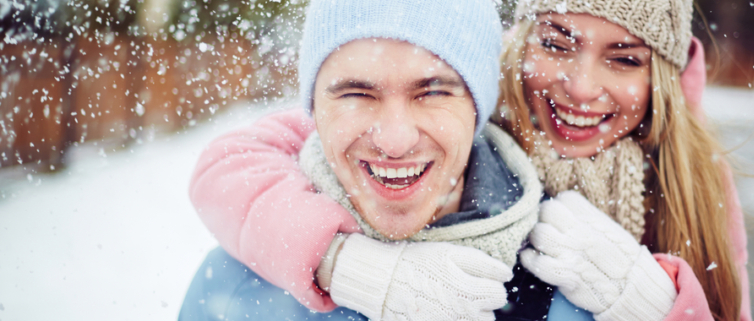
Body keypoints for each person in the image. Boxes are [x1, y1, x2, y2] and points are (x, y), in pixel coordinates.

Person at [180, 0, 583, 320]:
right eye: (356, 94)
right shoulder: (239, 291)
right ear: (314, 111)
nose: (394, 141)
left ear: (478, 109)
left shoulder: (569, 282)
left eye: (432, 92)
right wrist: (339, 263)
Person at [497, 0, 752, 320]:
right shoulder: (452, 150)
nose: (580, 88)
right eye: (555, 44)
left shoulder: (695, 180)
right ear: (521, 43)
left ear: (661, 80)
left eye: (624, 59)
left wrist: (651, 303)